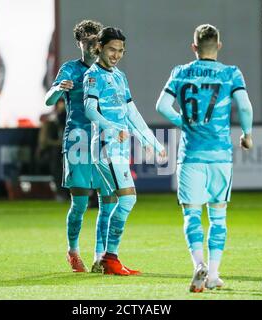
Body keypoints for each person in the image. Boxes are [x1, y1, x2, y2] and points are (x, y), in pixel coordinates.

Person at [156, 24, 253, 292]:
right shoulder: (231, 73)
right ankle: (212, 274)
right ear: (219, 46)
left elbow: (161, 105)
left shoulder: (180, 72)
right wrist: (247, 134)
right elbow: (244, 105)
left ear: (194, 47)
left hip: (191, 156)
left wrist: (182, 121)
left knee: (191, 215)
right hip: (220, 155)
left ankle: (198, 264)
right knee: (219, 216)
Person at [83, 27, 166, 275]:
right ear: (99, 47)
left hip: (118, 146)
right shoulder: (93, 76)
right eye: (111, 49)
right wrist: (110, 127)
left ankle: (101, 259)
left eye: (120, 51)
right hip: (106, 147)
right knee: (128, 198)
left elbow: (132, 114)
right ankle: (111, 258)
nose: (116, 54)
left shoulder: (119, 76)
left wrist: (152, 142)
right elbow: (89, 110)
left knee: (108, 203)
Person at [44, 20, 116, 273]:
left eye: (94, 40)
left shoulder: (106, 69)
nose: (91, 45)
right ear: (79, 44)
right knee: (80, 204)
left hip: (104, 142)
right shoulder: (70, 69)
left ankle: (101, 257)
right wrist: (57, 89)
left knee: (108, 201)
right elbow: (49, 100)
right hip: (78, 142)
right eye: (86, 41)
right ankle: (73, 251)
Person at [36, 98, 68, 201]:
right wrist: (59, 143)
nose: (61, 106)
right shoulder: (51, 119)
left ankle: (67, 193)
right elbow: (45, 140)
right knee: (57, 168)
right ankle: (60, 193)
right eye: (60, 103)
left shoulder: (68, 117)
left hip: (67, 149)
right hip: (53, 151)